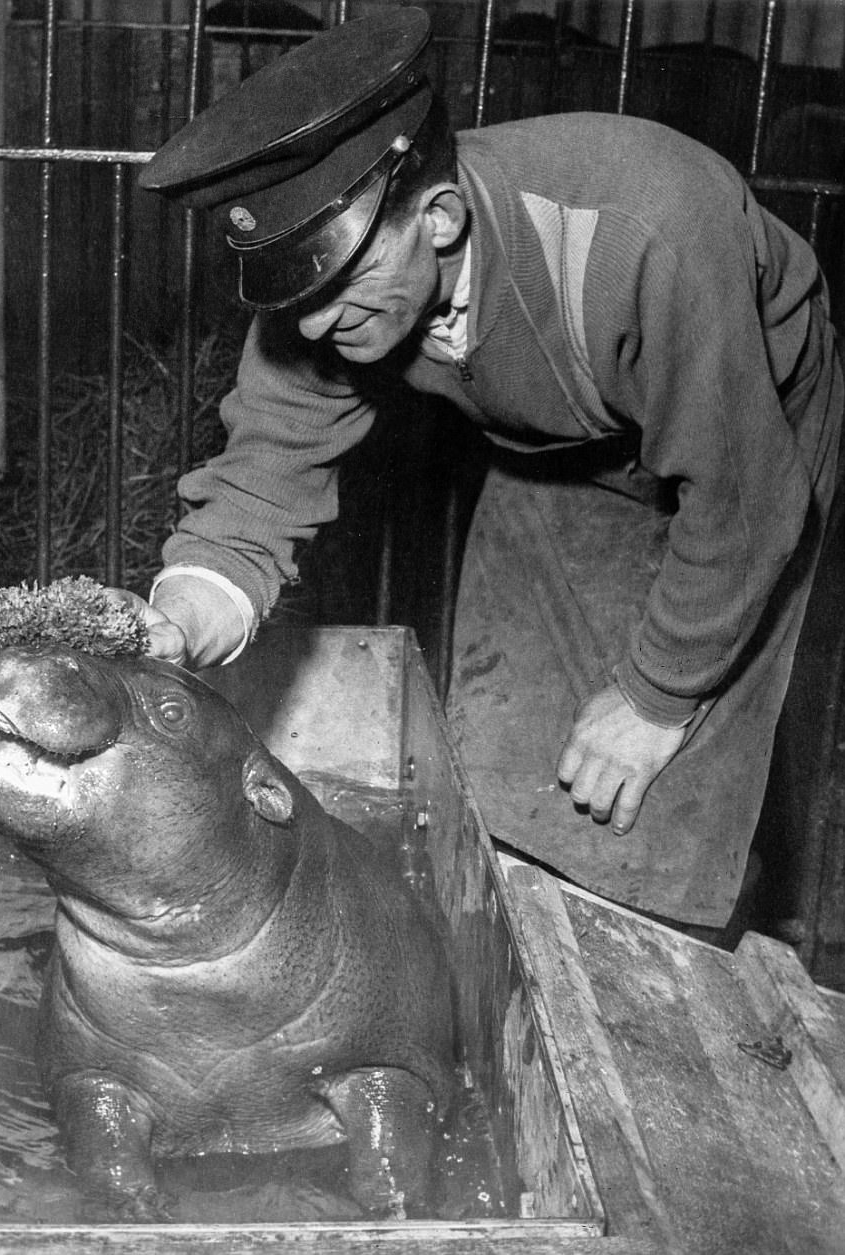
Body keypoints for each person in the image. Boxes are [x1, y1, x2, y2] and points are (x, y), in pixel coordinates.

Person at [119, 7, 843, 935]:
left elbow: (745, 506)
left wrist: (656, 700)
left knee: (651, 808)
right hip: (555, 439)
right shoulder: (329, 305)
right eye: (296, 293)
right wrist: (180, 618)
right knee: (500, 785)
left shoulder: (648, 236)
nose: (308, 326)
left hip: (744, 432)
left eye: (336, 286)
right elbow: (263, 478)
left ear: (443, 219)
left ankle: (648, 983)